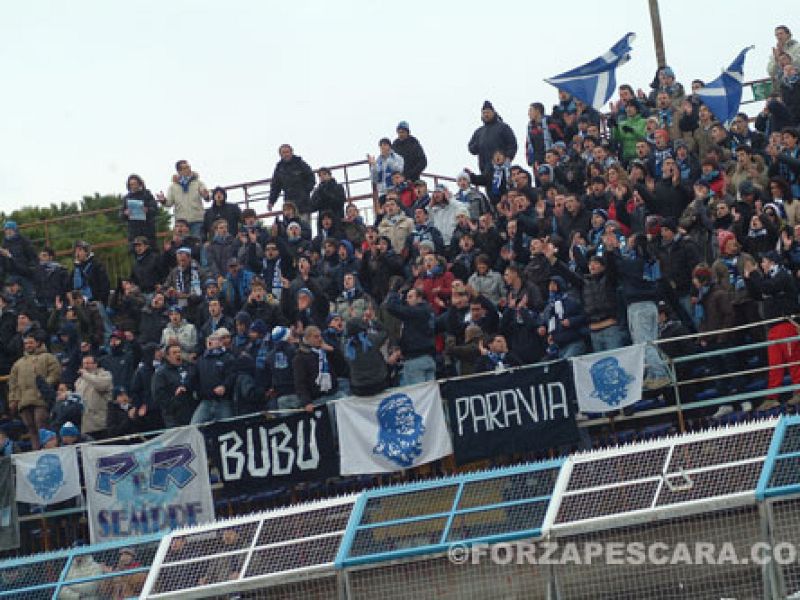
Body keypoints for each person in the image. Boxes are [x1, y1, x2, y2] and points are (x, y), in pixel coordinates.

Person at [8, 331, 60, 450]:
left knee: (42, 424)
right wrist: (13, 399)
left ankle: (49, 447)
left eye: (31, 343)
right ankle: (36, 450)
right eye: (26, 343)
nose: (28, 345)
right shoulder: (18, 363)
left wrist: (45, 385)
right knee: (30, 427)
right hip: (24, 401)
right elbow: (13, 383)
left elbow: (55, 373)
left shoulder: (48, 357)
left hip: (41, 399)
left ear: (37, 343)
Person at [385, 287, 436, 385]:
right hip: (429, 358)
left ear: (419, 298)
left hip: (415, 360)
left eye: (410, 297)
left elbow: (391, 307)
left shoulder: (416, 312)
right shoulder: (429, 311)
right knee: (429, 397)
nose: (407, 300)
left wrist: (393, 292)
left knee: (419, 396)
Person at [191, 329, 235, 424]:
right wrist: (197, 392)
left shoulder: (227, 357)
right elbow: (194, 377)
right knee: (194, 425)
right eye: (208, 340)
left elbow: (231, 375)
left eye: (213, 339)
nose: (210, 342)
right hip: (206, 401)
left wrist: (224, 386)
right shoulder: (201, 359)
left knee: (228, 427)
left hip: (223, 401)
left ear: (220, 342)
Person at [157, 159, 209, 239]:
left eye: (188, 167)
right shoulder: (173, 187)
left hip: (197, 219)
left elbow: (207, 197)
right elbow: (169, 203)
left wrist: (206, 195)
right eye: (185, 168)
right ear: (179, 171)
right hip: (181, 222)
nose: (188, 169)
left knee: (198, 245)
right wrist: (163, 200)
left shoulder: (198, 183)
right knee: (182, 246)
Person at [152, 342, 197, 428]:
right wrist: (174, 403)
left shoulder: (189, 367)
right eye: (174, 353)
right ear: (167, 356)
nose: (178, 355)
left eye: (179, 352)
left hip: (191, 410)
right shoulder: (161, 373)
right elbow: (158, 395)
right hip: (173, 415)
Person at [267, 144, 316, 222]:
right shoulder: (279, 168)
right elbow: (275, 187)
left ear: (291, 152)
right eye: (283, 152)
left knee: (305, 228)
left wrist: (305, 191)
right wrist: (271, 202)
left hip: (303, 204)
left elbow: (311, 178)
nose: (286, 154)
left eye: (287, 152)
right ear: (280, 154)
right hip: (289, 204)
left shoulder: (300, 164)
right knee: (290, 228)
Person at [468, 100, 518, 175]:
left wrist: (508, 157)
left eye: (488, 112)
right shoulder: (479, 131)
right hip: (484, 168)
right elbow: (471, 147)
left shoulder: (503, 127)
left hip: (501, 166)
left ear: (493, 113)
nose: (486, 115)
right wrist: (478, 145)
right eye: (484, 113)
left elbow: (512, 144)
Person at [75, 353, 113, 440]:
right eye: (84, 363)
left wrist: (85, 375)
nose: (86, 366)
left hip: (101, 422)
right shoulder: (79, 381)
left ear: (95, 364)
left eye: (88, 363)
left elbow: (101, 385)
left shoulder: (105, 374)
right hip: (86, 424)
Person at [121, 173, 158, 249]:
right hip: (134, 231)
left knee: (151, 252)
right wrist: (125, 213)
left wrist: (147, 210)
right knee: (136, 252)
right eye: (131, 185)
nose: (133, 186)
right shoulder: (126, 198)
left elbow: (155, 209)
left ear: (140, 184)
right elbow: (121, 215)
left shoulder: (147, 194)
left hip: (147, 230)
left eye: (135, 184)